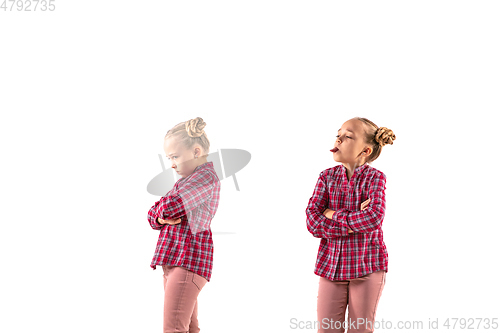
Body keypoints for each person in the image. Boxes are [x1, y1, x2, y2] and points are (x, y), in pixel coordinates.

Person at [305, 117, 396, 333]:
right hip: (331, 268)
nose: (338, 139)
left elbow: (373, 218)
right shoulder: (326, 177)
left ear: (364, 150)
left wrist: (332, 214)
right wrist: (352, 221)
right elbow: (312, 222)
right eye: (338, 134)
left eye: (348, 137)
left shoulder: (375, 178)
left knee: (360, 330)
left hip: (366, 267)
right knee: (327, 330)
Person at [147, 117, 220, 333]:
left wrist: (162, 209)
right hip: (175, 262)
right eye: (169, 157)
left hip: (187, 261)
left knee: (174, 328)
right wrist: (160, 214)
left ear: (196, 152)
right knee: (188, 328)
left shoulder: (206, 177)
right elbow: (153, 215)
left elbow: (170, 206)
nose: (171, 163)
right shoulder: (185, 182)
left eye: (175, 156)